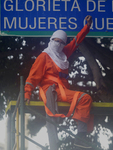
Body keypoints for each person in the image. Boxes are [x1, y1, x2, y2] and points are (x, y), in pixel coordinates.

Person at [24, 15, 93, 150]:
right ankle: (74, 140)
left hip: (63, 91)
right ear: (51, 40)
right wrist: (27, 93)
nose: (59, 44)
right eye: (56, 41)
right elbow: (33, 77)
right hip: (50, 91)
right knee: (83, 100)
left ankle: (81, 137)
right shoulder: (44, 56)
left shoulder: (63, 53)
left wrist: (87, 27)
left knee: (85, 99)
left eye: (62, 42)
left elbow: (76, 41)